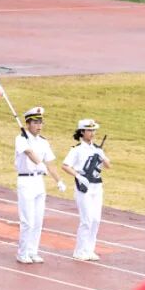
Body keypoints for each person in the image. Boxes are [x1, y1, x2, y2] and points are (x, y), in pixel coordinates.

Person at [14, 107, 67, 264]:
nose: (39, 126)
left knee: (38, 220)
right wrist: (40, 164)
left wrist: (58, 180)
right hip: (26, 180)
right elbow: (29, 153)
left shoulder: (43, 141)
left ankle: (33, 251)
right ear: (28, 123)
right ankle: (22, 253)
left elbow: (50, 164)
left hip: (39, 182)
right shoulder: (21, 139)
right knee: (27, 221)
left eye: (41, 122)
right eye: (36, 122)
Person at [62, 119, 112, 262]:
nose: (92, 133)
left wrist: (102, 155)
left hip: (97, 186)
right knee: (87, 220)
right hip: (84, 187)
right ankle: (79, 251)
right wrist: (78, 176)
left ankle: (89, 250)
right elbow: (65, 166)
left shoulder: (96, 148)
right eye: (89, 130)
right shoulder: (76, 149)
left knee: (96, 220)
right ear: (82, 132)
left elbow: (108, 165)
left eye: (93, 130)